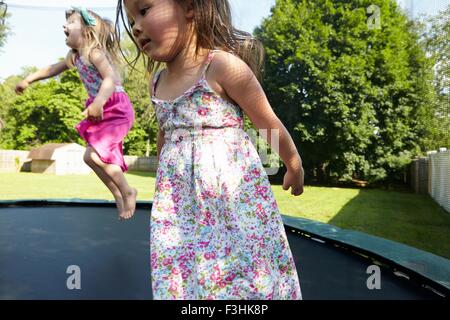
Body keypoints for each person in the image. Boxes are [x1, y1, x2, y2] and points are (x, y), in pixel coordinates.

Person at [118, 0, 304, 299]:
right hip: (181, 206)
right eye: (130, 19)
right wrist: (165, 184)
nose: (136, 26)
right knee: (187, 270)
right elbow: (166, 132)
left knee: (245, 269)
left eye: (144, 10)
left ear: (190, 7)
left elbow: (266, 121)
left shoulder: (220, 66)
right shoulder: (157, 82)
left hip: (232, 198)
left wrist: (293, 164)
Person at [16, 7, 137, 220]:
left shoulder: (94, 53)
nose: (64, 26)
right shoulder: (75, 57)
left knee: (95, 156)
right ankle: (117, 192)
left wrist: (99, 101)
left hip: (115, 108)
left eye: (71, 22)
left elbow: (109, 78)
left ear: (87, 31)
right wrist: (29, 79)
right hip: (99, 110)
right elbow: (51, 69)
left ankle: (127, 190)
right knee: (89, 158)